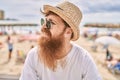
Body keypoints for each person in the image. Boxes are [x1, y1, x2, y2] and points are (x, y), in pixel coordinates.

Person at [20, 1, 101, 80]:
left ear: (68, 32)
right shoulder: (34, 56)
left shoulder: (83, 59)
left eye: (51, 23)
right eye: (44, 22)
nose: (43, 27)